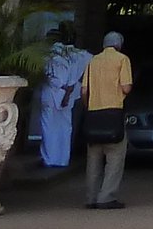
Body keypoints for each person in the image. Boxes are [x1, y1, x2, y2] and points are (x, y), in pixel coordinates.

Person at [82, 31, 132, 209]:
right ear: (119, 44)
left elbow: (84, 91)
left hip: (94, 114)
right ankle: (106, 197)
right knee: (115, 159)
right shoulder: (122, 59)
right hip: (113, 114)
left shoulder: (92, 61)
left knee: (93, 159)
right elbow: (126, 88)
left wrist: (89, 107)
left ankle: (91, 197)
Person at [38, 32, 87, 169]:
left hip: (51, 93)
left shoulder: (47, 55)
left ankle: (49, 159)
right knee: (65, 127)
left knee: (48, 127)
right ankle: (62, 159)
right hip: (69, 93)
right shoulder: (76, 55)